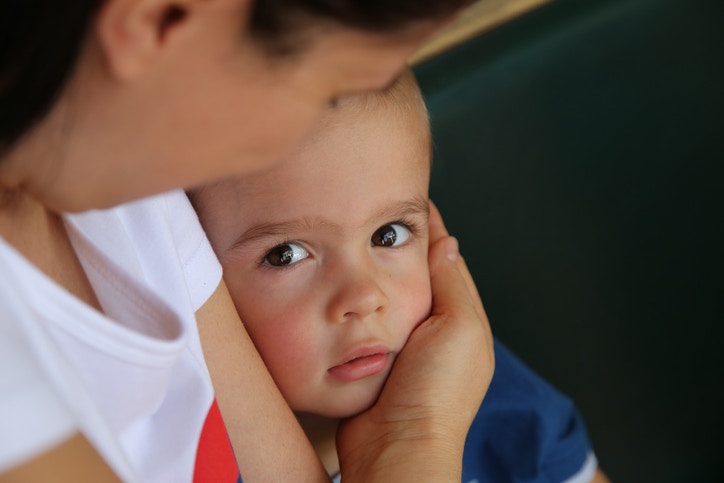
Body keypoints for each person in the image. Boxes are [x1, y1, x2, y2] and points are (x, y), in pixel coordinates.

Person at [0, 1, 495, 482]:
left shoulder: (134, 194)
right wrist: (418, 440)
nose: (322, 123)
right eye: (329, 83)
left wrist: (410, 438)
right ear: (157, 21)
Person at [190, 69, 610, 482]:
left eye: (387, 234)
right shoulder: (185, 460)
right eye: (285, 255)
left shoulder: (473, 383)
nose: (364, 296)